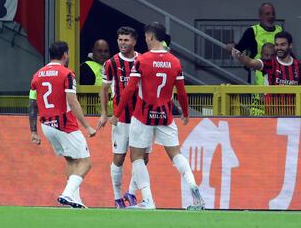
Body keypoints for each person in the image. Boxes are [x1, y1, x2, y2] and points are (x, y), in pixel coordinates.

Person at [110, 22, 204, 210]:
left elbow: (130, 89)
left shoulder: (142, 60)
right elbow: (182, 92)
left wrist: (117, 113)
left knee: (136, 157)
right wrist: (185, 113)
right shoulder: (174, 61)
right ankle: (194, 189)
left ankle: (148, 200)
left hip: (143, 115)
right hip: (165, 115)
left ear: (151, 37)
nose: (145, 40)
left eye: (146, 37)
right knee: (176, 154)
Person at [28, 41, 96, 208]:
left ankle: (75, 201)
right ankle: (66, 194)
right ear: (65, 54)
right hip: (64, 124)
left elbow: (31, 104)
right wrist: (87, 126)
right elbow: (72, 101)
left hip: (46, 125)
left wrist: (33, 131)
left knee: (71, 161)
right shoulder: (67, 74)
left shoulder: (37, 75)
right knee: (86, 162)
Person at [97, 26, 149, 209]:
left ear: (134, 41)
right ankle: (118, 197)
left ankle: (131, 192)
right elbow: (103, 90)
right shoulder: (111, 63)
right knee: (118, 158)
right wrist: (105, 113)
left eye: (126, 40)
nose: (122, 43)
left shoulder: (143, 60)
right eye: (120, 39)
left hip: (142, 118)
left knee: (143, 159)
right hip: (121, 120)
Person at [232, 31, 300, 115]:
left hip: (294, 116)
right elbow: (251, 62)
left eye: (282, 45)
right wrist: (240, 57)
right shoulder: (270, 63)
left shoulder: (298, 65)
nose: (279, 48)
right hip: (273, 115)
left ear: (290, 46)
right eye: (277, 44)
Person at [227, 2, 282, 84]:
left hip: (278, 73)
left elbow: (287, 52)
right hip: (257, 74)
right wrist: (232, 46)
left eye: (273, 14)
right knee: (258, 96)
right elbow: (238, 49)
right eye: (267, 14)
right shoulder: (252, 31)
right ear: (260, 16)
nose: (271, 16)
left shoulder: (280, 30)